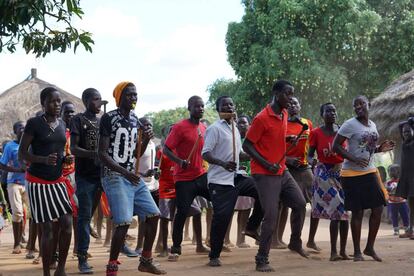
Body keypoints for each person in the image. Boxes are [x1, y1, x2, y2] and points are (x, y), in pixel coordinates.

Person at [98, 82, 165, 275]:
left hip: (131, 176)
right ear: (119, 97)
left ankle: (145, 260)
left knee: (154, 215)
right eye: (129, 95)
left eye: (135, 95)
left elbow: (136, 155)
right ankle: (111, 267)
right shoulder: (108, 118)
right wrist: (125, 172)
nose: (133, 98)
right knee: (123, 221)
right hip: (114, 175)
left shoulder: (136, 120)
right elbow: (102, 153)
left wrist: (144, 141)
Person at [243, 80, 307, 272]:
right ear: (276, 94)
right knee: (271, 215)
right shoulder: (261, 118)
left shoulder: (285, 113)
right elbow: (247, 145)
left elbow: (275, 136)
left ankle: (295, 242)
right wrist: (266, 163)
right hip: (264, 173)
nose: (290, 98)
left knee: (300, 203)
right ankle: (261, 258)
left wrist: (287, 138)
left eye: (292, 94)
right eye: (287, 94)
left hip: (281, 170)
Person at [19, 87, 74, 276]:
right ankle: (46, 272)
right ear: (43, 104)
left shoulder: (62, 124)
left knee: (67, 223)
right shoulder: (34, 124)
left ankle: (60, 268)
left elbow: (60, 151)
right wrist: (43, 159)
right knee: (48, 227)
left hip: (57, 181)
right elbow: (22, 153)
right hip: (37, 181)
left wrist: (65, 159)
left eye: (59, 101)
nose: (57, 105)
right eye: (52, 101)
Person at [202, 96, 263, 267]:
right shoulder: (214, 129)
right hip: (220, 180)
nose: (229, 107)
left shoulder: (235, 128)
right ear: (218, 109)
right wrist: (222, 163)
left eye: (231, 104)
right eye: (225, 105)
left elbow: (239, 155)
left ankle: (252, 226)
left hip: (236, 176)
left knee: (263, 191)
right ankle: (214, 255)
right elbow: (205, 154)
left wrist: (255, 155)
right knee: (222, 217)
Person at [333, 95, 394, 262]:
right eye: (355, 104)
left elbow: (368, 149)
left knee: (378, 207)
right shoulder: (349, 124)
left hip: (370, 171)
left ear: (369, 104)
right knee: (358, 212)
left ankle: (369, 248)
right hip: (351, 174)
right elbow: (335, 146)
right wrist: (352, 158)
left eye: (362, 103)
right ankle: (358, 251)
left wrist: (381, 148)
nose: (358, 106)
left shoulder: (373, 125)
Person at [163, 95, 211, 261]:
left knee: (219, 201)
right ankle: (176, 247)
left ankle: (213, 243)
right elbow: (166, 149)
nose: (200, 108)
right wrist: (179, 161)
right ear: (189, 108)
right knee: (182, 211)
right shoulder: (179, 127)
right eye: (197, 106)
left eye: (202, 106)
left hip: (201, 175)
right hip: (183, 178)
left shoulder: (204, 128)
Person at [308, 103, 350, 261]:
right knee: (337, 210)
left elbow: (350, 151)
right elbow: (310, 155)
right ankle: (333, 252)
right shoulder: (316, 133)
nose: (332, 113)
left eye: (334, 110)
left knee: (344, 213)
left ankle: (343, 252)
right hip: (324, 175)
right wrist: (311, 161)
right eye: (328, 111)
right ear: (322, 114)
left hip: (343, 173)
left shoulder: (343, 131)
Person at [274, 97, 316, 250]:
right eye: (289, 103)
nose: (292, 106)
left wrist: (312, 160)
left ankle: (305, 240)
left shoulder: (307, 123)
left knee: (311, 203)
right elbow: (273, 149)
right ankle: (279, 239)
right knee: (284, 204)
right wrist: (288, 160)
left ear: (300, 106)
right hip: (286, 168)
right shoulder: (281, 124)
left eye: (295, 103)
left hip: (304, 169)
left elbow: (311, 146)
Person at [71, 88, 103, 273]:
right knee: (84, 218)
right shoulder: (78, 120)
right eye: (95, 99)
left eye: (100, 99)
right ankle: (82, 258)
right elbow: (74, 149)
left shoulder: (101, 122)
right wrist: (94, 154)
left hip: (101, 176)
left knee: (89, 216)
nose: (99, 103)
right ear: (85, 101)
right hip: (85, 178)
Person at [0, 121, 26, 254]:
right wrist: (17, 169)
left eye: (25, 127)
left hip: (29, 182)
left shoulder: (30, 144)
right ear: (15, 131)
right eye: (20, 127)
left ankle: (31, 245)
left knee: (34, 213)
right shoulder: (10, 146)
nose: (23, 129)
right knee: (17, 213)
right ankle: (17, 244)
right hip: (14, 182)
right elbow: (2, 165)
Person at [135, 117, 160, 256]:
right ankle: (139, 246)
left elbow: (151, 163)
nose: (148, 127)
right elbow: (132, 166)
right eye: (145, 125)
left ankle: (145, 247)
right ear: (140, 128)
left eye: (150, 125)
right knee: (142, 217)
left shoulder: (151, 144)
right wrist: (143, 173)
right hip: (139, 183)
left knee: (151, 216)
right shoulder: (137, 143)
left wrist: (155, 170)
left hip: (152, 184)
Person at [234, 115, 255, 248]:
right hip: (235, 177)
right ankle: (226, 240)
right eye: (240, 123)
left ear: (249, 125)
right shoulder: (234, 138)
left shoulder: (251, 140)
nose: (242, 125)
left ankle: (240, 239)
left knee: (246, 209)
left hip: (249, 177)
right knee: (231, 209)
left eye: (245, 123)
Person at [396, 122, 414, 239]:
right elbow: (399, 126)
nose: (405, 134)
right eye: (404, 132)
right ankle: (410, 230)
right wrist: (408, 122)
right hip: (407, 179)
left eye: (408, 131)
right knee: (411, 206)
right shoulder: (404, 143)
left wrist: (411, 123)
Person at [386, 164, 409, 236]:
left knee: (405, 215)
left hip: (402, 201)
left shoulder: (402, 181)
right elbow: (386, 189)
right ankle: (396, 229)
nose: (391, 173)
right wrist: (389, 189)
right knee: (394, 216)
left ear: (399, 172)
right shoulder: (388, 182)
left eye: (394, 171)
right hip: (392, 202)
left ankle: (407, 228)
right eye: (390, 171)